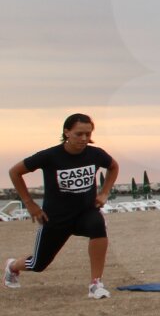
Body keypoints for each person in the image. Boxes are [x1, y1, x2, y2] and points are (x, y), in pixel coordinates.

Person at [4, 114, 120, 298]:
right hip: (56, 218)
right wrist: (30, 203)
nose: (84, 139)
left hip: (85, 212)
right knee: (38, 264)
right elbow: (15, 172)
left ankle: (95, 284)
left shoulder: (96, 154)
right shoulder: (50, 156)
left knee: (98, 226)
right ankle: (12, 266)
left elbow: (113, 166)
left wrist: (104, 192)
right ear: (66, 132)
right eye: (79, 134)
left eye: (88, 134)